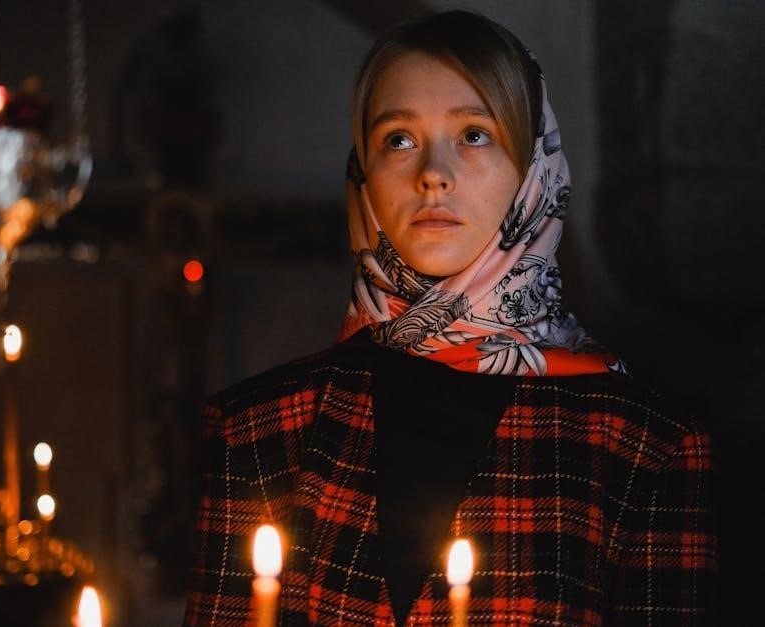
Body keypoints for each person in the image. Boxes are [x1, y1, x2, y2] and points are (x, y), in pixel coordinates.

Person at [183, 10, 717, 626]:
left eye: (474, 134)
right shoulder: (254, 430)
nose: (433, 174)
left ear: (533, 169)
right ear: (363, 175)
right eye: (398, 139)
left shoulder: (645, 448)